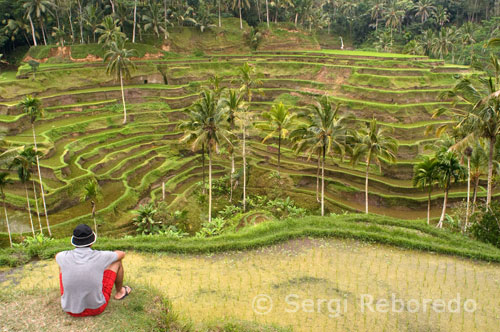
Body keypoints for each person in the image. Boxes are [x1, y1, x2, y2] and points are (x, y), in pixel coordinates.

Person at [55, 224, 132, 317]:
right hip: (96, 309)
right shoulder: (101, 256)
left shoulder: (62, 256)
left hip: (69, 309)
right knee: (117, 261)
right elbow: (121, 254)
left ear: (74, 242)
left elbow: (57, 255)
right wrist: (109, 257)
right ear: (92, 242)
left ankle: (71, 296)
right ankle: (120, 292)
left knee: (61, 265)